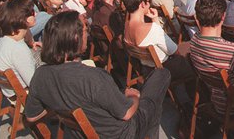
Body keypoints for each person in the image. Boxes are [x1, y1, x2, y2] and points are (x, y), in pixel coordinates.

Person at [24, 11, 171, 139]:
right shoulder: (93, 76)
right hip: (122, 133)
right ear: (76, 38)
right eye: (84, 30)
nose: (87, 34)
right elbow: (127, 113)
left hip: (86, 131)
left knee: (152, 106)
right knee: (160, 79)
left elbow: (31, 116)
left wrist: (61, 105)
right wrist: (133, 96)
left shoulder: (40, 75)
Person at [123, 0, 192, 84]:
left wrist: (155, 19)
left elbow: (158, 38)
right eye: (149, 1)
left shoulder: (126, 26)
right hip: (165, 70)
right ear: (142, 4)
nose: (150, 4)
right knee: (193, 51)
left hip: (147, 69)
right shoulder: (151, 29)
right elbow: (174, 51)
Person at [0, 0, 40, 98]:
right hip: (25, 97)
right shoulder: (18, 49)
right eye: (32, 12)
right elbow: (35, 84)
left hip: (10, 92)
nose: (36, 14)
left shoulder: (1, 41)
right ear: (22, 19)